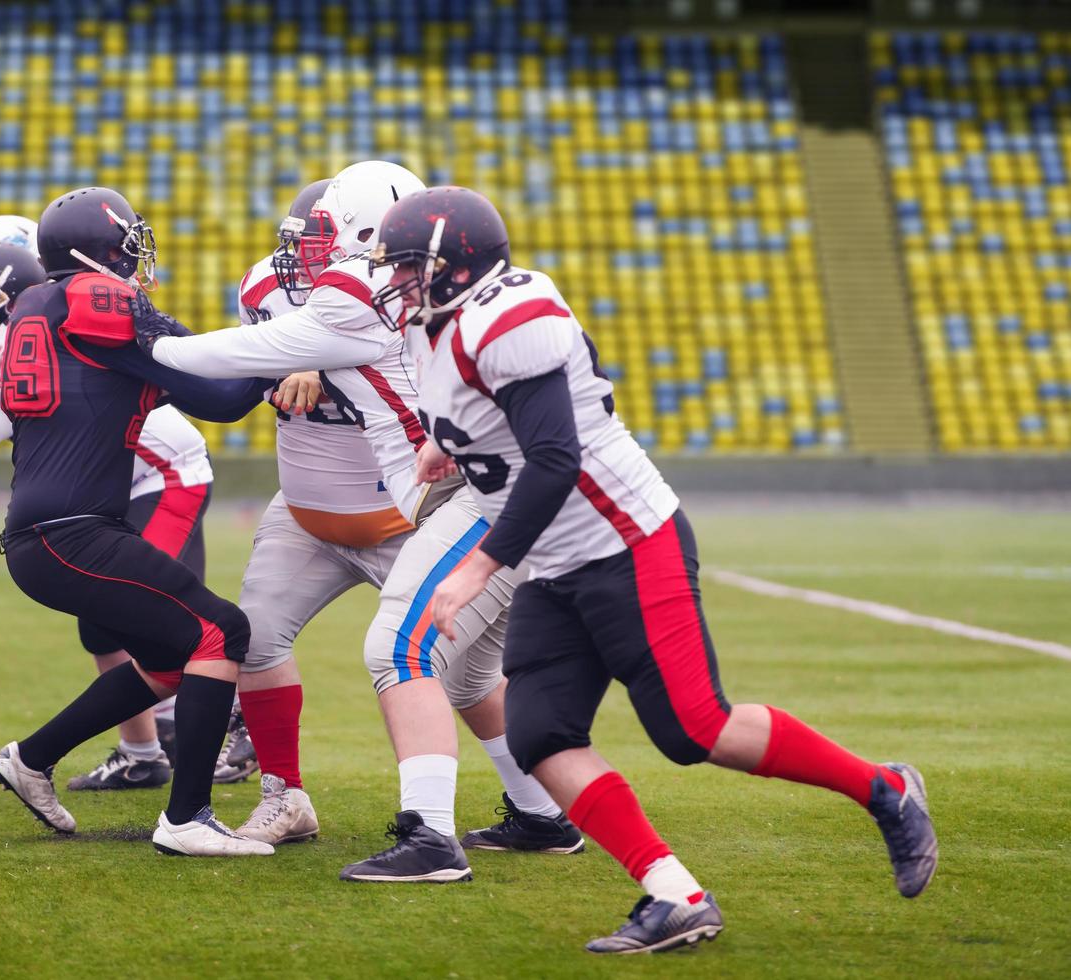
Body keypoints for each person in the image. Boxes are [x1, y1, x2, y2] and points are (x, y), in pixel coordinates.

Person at [370, 185, 938, 952]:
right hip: (553, 559)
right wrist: (448, 444)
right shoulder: (438, 330)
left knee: (694, 727)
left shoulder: (509, 316)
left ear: (457, 265)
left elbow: (554, 457)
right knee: (541, 731)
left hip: (624, 540)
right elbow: (490, 424)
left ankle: (884, 788)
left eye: (410, 266)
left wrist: (481, 566)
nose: (398, 281)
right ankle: (675, 892)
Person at [133, 161, 580, 882]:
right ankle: (538, 815)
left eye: (325, 236)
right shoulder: (365, 290)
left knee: (406, 653)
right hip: (359, 503)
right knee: (455, 674)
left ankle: (432, 839)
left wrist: (139, 340)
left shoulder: (366, 292)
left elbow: (253, 351)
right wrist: (293, 360)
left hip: (450, 504)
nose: (306, 252)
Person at [0, 186, 272, 856]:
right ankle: (188, 817)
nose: (136, 261)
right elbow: (220, 397)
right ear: (99, 251)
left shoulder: (37, 305)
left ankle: (31, 758)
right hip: (72, 531)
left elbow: (182, 381)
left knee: (172, 658)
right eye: (127, 245)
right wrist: (283, 356)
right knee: (222, 631)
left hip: (48, 530)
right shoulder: (94, 301)